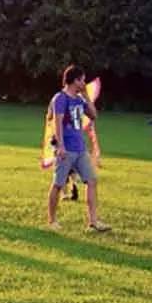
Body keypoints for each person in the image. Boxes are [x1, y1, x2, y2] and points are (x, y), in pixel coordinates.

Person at [47, 64, 109, 232]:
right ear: (74, 80)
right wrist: (60, 146)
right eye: (82, 80)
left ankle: (93, 222)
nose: (84, 82)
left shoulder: (80, 99)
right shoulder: (60, 98)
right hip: (66, 150)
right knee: (58, 185)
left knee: (92, 181)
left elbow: (94, 116)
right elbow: (56, 123)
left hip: (80, 149)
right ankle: (52, 221)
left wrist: (87, 97)